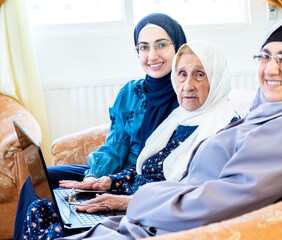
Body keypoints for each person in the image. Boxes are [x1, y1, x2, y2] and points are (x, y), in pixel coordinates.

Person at [57, 15, 282, 239]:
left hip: (177, 223)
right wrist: (110, 183)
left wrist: (133, 202)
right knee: (53, 206)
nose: (271, 68)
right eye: (265, 56)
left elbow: (222, 199)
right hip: (165, 209)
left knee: (49, 222)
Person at [21, 41, 238, 239]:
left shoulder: (223, 129)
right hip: (124, 199)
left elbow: (197, 198)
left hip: (147, 217)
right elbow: (145, 167)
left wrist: (126, 203)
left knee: (53, 229)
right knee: (39, 209)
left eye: (200, 75)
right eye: (182, 74)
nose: (188, 85)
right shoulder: (178, 118)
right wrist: (108, 181)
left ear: (217, 78)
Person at [13, 13, 187, 240]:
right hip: (114, 173)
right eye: (143, 48)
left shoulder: (188, 94)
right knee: (38, 181)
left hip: (143, 182)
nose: (151, 55)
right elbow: (115, 148)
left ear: (180, 47)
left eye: (161, 45)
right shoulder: (129, 93)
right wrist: (91, 178)